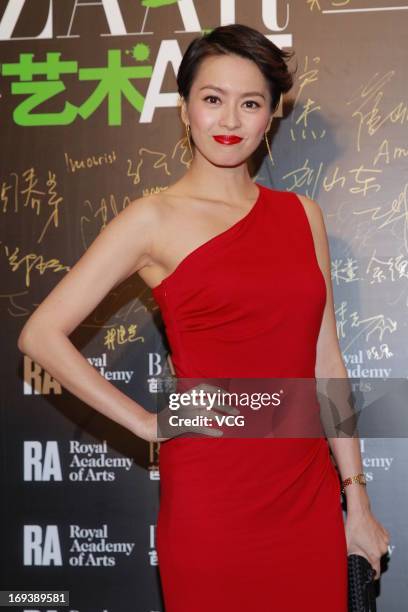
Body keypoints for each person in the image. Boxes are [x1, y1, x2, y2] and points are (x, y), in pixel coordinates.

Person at [17, 23, 390, 612]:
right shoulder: (152, 219)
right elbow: (40, 334)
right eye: (213, 99)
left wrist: (357, 501)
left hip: (306, 492)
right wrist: (144, 423)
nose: (230, 121)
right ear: (185, 107)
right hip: (212, 496)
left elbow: (326, 360)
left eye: (251, 104)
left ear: (270, 118)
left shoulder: (302, 216)